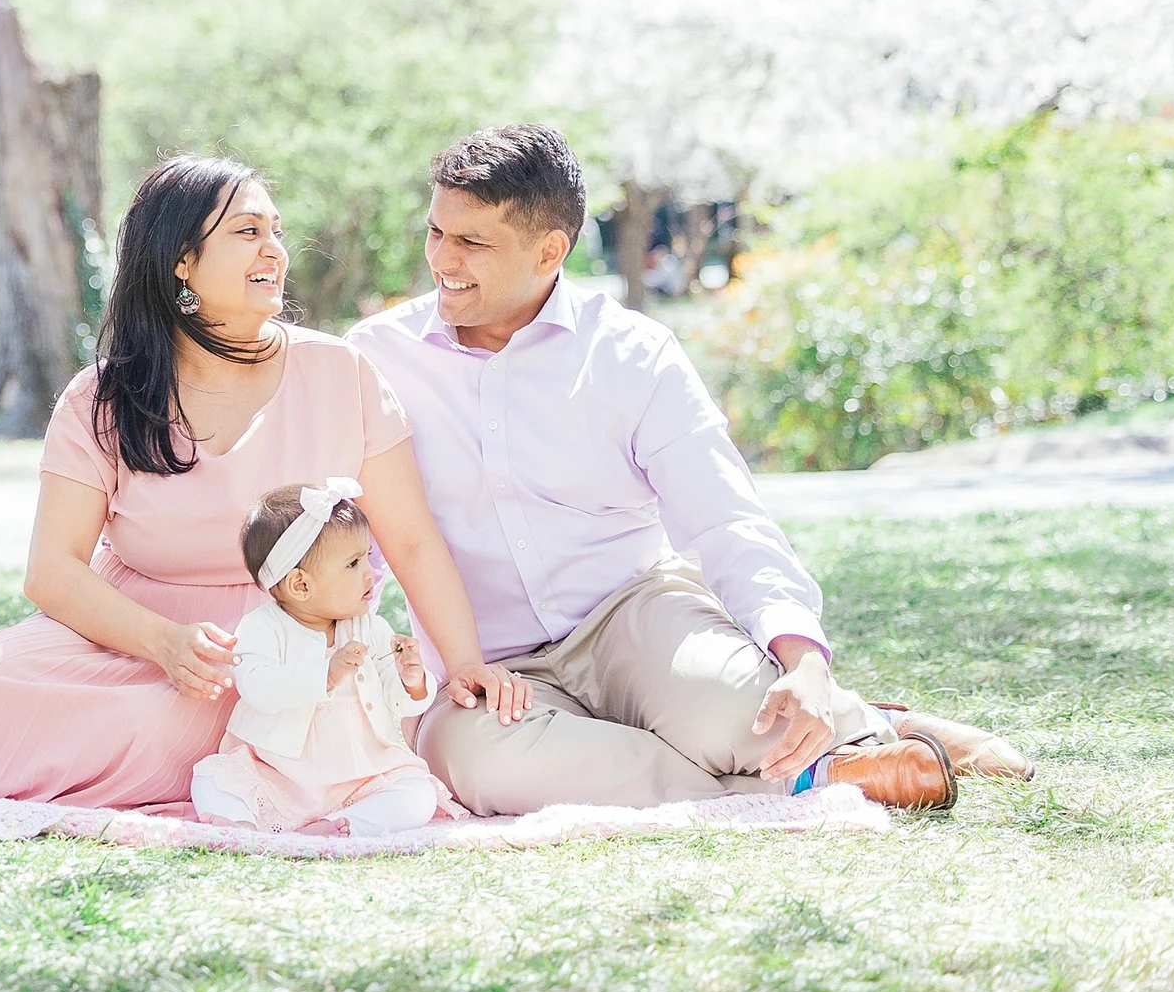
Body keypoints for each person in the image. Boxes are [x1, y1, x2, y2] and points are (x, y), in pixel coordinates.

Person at [0, 154, 530, 814]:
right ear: (180, 262)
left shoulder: (341, 371)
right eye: (247, 232)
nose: (275, 249)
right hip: (122, 630)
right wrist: (161, 643)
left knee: (161, 725)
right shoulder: (104, 393)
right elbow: (51, 569)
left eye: (275, 229)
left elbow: (411, 537)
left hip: (276, 650)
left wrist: (465, 663)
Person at [346, 123, 1033, 817]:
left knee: (739, 716)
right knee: (481, 763)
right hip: (489, 660)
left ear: (550, 250)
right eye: (437, 232)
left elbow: (724, 517)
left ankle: (872, 727)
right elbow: (361, 531)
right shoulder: (376, 357)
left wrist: (804, 661)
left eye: (472, 242)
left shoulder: (632, 353)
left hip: (634, 614)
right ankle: (809, 775)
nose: (442, 259)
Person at [188, 479, 461, 838]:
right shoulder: (263, 627)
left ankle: (341, 824)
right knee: (211, 779)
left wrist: (411, 680)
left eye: (367, 557)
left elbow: (398, 703)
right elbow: (257, 686)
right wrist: (325, 676)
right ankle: (240, 827)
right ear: (301, 585)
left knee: (417, 796)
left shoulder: (370, 628)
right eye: (352, 564)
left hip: (359, 776)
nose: (371, 572)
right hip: (277, 772)